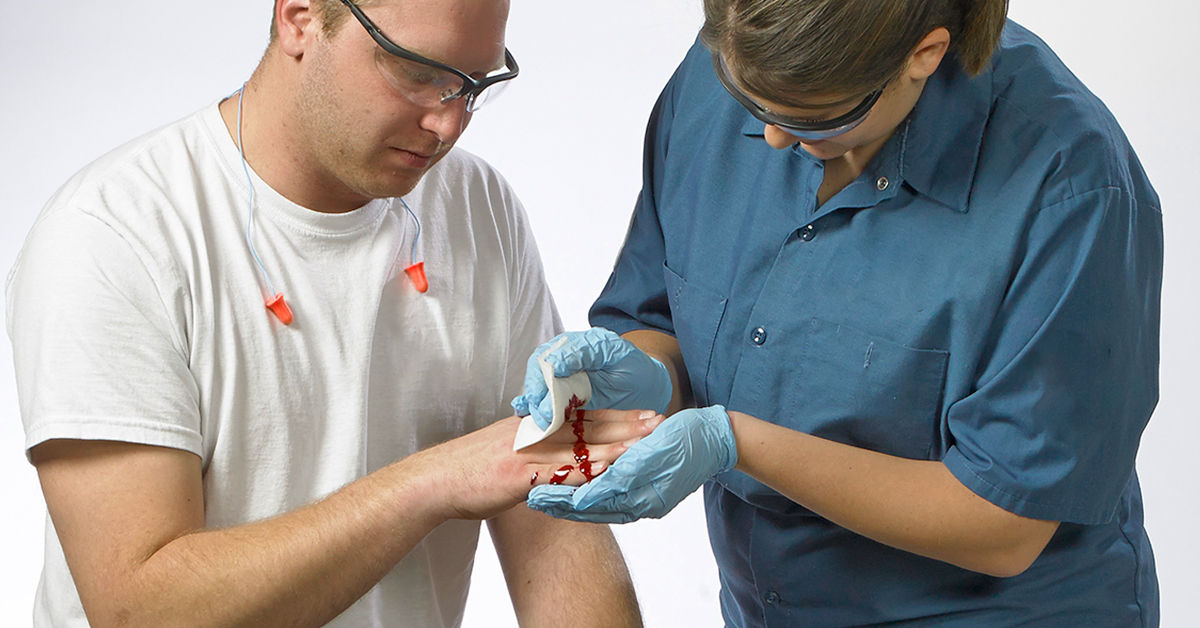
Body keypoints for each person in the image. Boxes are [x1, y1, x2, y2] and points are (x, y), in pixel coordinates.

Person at [6, 1, 660, 626]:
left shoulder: (478, 205)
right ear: (299, 18)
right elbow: (141, 611)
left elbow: (549, 509)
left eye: (473, 84)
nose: (449, 123)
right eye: (418, 74)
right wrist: (435, 481)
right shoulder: (114, 234)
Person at [514, 0, 1162, 625]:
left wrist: (734, 443)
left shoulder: (1071, 187)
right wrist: (642, 381)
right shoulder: (753, 59)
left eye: (814, 118)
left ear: (924, 55)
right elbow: (656, 316)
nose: (770, 137)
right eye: (751, 102)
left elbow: (1004, 521)